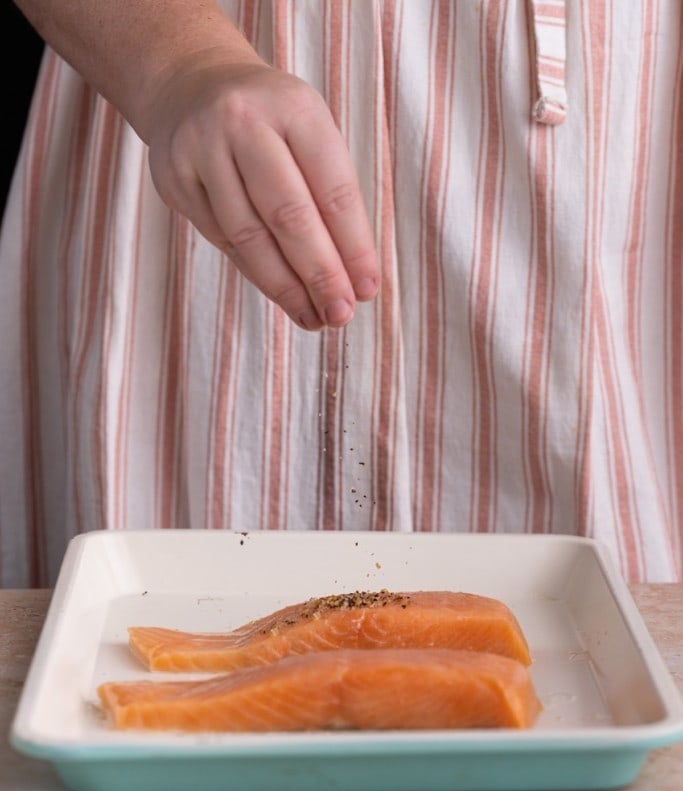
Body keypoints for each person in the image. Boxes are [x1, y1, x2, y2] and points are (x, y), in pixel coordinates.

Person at [1, 0, 681, 588]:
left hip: (596, 135)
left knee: (604, 660)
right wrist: (180, 63)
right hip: (189, 116)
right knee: (146, 655)